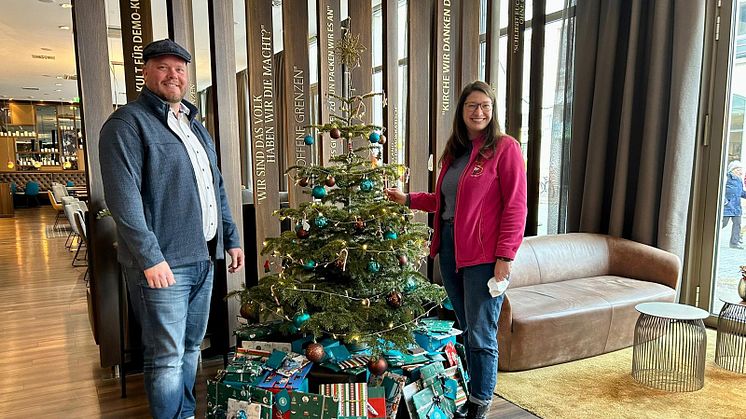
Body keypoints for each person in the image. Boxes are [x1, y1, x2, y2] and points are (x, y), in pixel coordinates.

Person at [99, 39, 245, 419]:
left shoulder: (195, 127)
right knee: (165, 356)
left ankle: (182, 414)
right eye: (163, 67)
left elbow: (216, 187)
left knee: (191, 348)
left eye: (179, 68)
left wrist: (231, 238)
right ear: (145, 72)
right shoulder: (126, 124)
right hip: (163, 266)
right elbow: (123, 198)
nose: (173, 74)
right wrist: (150, 258)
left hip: (203, 257)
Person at [385, 81, 527, 418]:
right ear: (462, 112)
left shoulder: (505, 148)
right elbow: (445, 201)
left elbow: (516, 206)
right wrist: (409, 199)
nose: (478, 112)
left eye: (485, 106)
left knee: (481, 333)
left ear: (492, 111)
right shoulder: (456, 153)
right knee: (467, 327)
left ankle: (480, 403)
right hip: (449, 250)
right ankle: (475, 396)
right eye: (471, 106)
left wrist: (505, 257)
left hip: (483, 257)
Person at [723, 160, 746, 249]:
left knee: (737, 224)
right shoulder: (727, 178)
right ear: (732, 170)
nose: (740, 171)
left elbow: (741, 193)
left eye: (741, 169)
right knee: (723, 223)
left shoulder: (739, 180)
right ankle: (711, 234)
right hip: (727, 206)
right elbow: (721, 191)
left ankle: (734, 243)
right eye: (738, 169)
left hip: (736, 207)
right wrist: (725, 201)